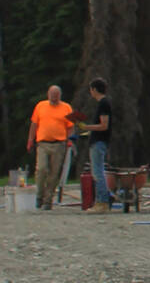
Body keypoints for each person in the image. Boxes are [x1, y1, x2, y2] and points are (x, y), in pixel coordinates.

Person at [25, 85, 76, 210]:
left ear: (60, 95)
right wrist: (30, 140)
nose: (54, 97)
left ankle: (48, 200)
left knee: (54, 173)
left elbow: (71, 126)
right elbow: (34, 124)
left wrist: (70, 140)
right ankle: (39, 196)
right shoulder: (40, 106)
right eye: (52, 94)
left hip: (59, 144)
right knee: (41, 169)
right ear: (48, 94)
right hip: (43, 143)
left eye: (56, 94)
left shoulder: (66, 107)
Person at [82, 77, 114, 214]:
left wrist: (87, 126)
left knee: (98, 172)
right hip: (97, 141)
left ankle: (102, 202)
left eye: (91, 89)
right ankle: (106, 198)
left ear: (94, 89)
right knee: (97, 171)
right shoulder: (102, 104)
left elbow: (104, 125)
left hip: (99, 142)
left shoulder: (104, 104)